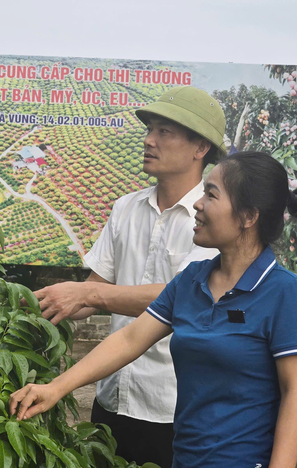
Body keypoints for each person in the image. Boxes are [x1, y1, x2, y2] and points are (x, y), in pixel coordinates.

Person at [11, 151, 297, 468]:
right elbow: (130, 340)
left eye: (211, 195)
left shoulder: (285, 293)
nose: (198, 204)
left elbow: (296, 395)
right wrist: (55, 388)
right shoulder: (190, 282)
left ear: (247, 217)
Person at [34, 86, 226, 467]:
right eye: (149, 130)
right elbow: (95, 289)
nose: (149, 141)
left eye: (164, 132)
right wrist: (36, 306)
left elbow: (184, 296)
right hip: (113, 398)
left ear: (200, 147)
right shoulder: (126, 208)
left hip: (173, 406)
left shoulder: (213, 219)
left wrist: (87, 296)